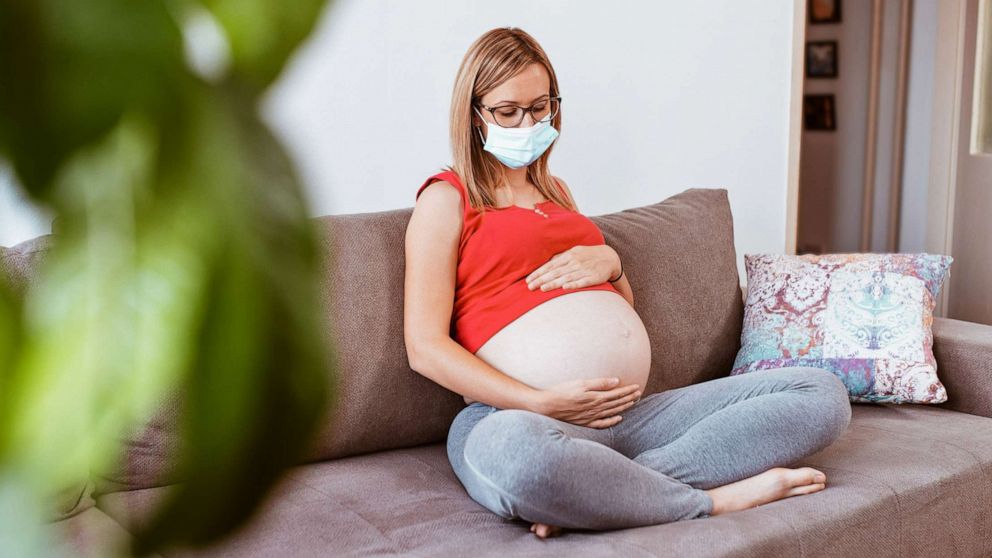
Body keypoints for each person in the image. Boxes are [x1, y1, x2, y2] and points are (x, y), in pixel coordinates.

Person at [403, 27, 852, 539]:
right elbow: (425, 347)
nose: (528, 123)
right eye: (508, 111)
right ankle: (707, 501)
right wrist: (538, 402)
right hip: (516, 418)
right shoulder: (446, 199)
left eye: (541, 106)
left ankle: (602, 494)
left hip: (630, 418)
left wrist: (611, 264)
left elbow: (618, 307)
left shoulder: (557, 192)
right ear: (473, 113)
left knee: (820, 393)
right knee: (516, 459)